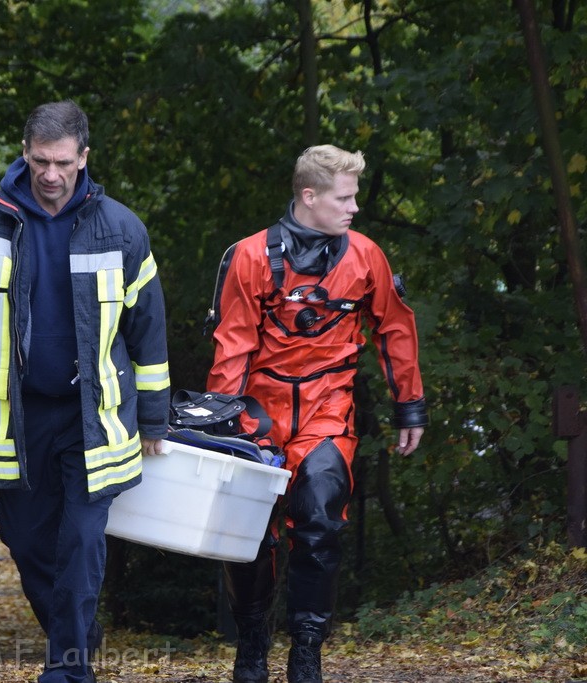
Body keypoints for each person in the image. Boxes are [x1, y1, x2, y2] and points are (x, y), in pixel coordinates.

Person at [0, 100, 170, 683]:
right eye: (40, 160)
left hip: (97, 418)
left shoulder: (121, 229)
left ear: (83, 158)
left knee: (84, 540)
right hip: (13, 422)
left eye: (63, 162)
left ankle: (67, 669)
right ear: (24, 152)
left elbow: (149, 333)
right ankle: (77, 637)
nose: (50, 174)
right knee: (28, 543)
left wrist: (156, 420)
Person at [207, 145, 428, 683]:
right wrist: (221, 425)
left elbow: (395, 328)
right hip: (259, 410)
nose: (354, 207)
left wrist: (410, 408)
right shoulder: (251, 257)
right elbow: (232, 345)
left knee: (321, 520)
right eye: (344, 197)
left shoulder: (366, 256)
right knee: (250, 530)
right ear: (310, 196)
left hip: (328, 408)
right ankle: (253, 638)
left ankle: (307, 647)